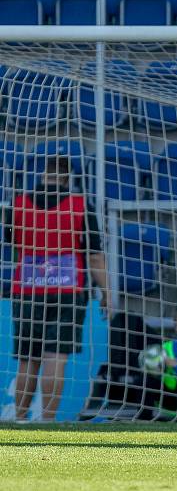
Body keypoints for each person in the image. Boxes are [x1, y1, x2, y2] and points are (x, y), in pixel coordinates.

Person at [3, 154, 109, 421]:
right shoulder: (80, 205)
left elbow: (13, 246)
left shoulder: (17, 205)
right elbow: (95, 256)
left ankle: (19, 417)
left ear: (43, 175)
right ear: (67, 178)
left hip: (27, 288)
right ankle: (48, 420)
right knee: (56, 356)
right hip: (67, 289)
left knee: (27, 359)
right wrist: (108, 292)